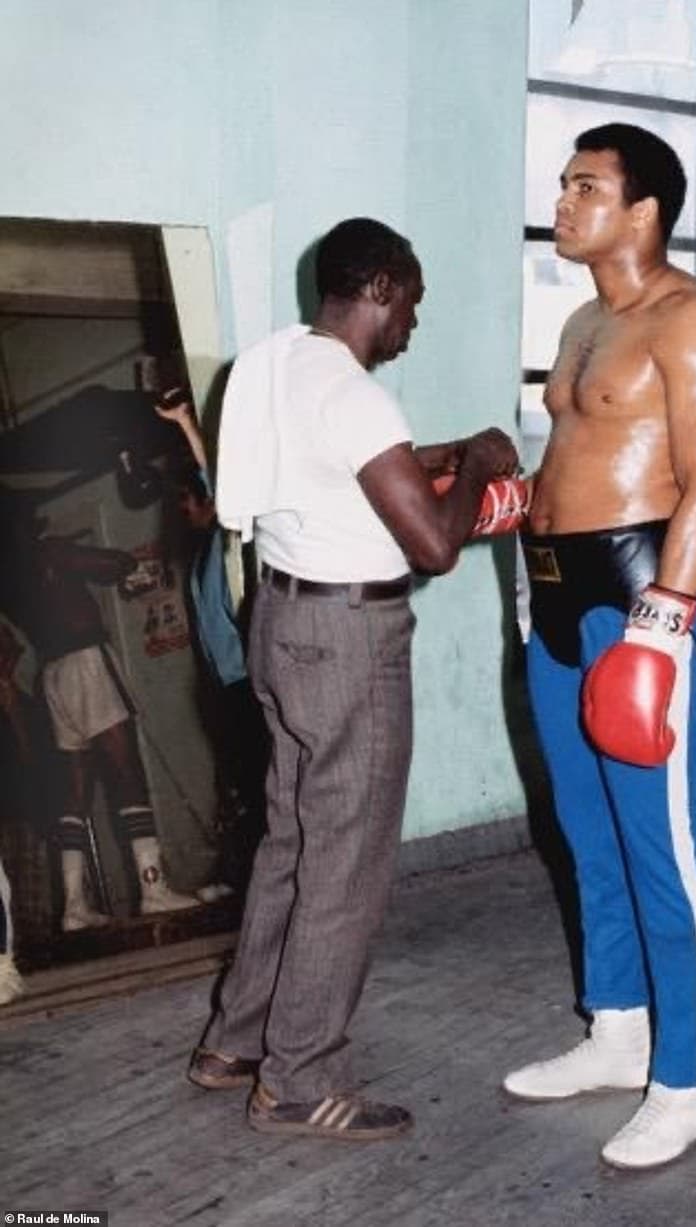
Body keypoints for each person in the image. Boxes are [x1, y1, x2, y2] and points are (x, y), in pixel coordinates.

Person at [188, 217, 519, 1142]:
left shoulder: (273, 364)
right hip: (350, 642)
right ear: (379, 287)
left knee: (290, 843)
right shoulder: (362, 399)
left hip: (281, 625)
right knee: (347, 866)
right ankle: (299, 1079)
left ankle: (234, 1043)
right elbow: (432, 545)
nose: (415, 320)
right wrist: (483, 465)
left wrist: (441, 453)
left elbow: (346, 474)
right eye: (411, 299)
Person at [501, 124, 696, 1169]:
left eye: (584, 186)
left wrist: (661, 624)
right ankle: (616, 1032)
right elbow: (578, 455)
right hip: (556, 599)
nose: (562, 201)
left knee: (662, 850)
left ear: (641, 208)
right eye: (563, 184)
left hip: (637, 597)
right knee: (583, 832)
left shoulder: (689, 321)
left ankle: (684, 1079)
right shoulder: (579, 323)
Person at [0, 494, 200, 930]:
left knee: (75, 791)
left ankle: (73, 905)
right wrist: (130, 566)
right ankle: (154, 888)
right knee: (127, 773)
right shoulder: (48, 550)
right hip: (87, 662)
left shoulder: (8, 576)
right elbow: (111, 563)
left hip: (53, 675)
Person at [154, 391, 268, 891]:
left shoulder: (227, 541)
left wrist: (185, 424)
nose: (183, 512)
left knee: (262, 783)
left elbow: (220, 482)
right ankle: (247, 875)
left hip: (249, 680)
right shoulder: (203, 562)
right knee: (242, 783)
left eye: (186, 501)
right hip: (226, 686)